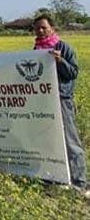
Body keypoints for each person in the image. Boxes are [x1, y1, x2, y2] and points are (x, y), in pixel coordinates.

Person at [32, 15, 87, 195]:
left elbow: (73, 73)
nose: (40, 31)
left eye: (43, 28)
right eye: (37, 28)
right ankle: (55, 177)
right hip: (44, 100)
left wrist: (60, 61)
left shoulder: (63, 47)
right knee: (48, 140)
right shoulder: (36, 50)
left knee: (70, 141)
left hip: (62, 100)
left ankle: (80, 183)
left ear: (52, 28)